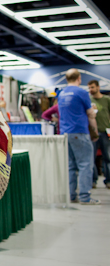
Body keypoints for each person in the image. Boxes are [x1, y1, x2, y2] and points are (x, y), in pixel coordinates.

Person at [57, 69, 99, 205]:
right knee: (85, 165)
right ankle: (85, 197)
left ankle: (72, 195)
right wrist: (95, 131)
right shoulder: (82, 92)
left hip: (65, 134)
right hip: (80, 132)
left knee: (70, 166)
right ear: (79, 78)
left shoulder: (61, 93)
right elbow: (91, 115)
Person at [88, 79, 110, 189]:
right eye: (89, 88)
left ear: (98, 87)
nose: (90, 89)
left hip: (105, 132)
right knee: (91, 158)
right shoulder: (88, 100)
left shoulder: (107, 100)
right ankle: (93, 180)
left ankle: (108, 180)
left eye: (92, 87)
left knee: (108, 157)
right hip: (93, 134)